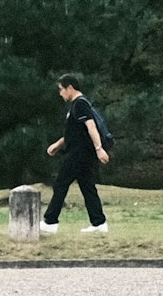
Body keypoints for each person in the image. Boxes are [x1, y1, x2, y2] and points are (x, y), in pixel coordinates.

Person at [42, 73, 112, 230]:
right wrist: (57, 144)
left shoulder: (80, 104)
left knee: (61, 183)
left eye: (61, 90)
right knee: (88, 187)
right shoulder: (75, 106)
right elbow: (74, 132)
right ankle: (99, 223)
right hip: (79, 152)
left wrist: (99, 149)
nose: (60, 94)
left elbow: (91, 126)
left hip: (79, 153)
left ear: (70, 88)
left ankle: (50, 222)